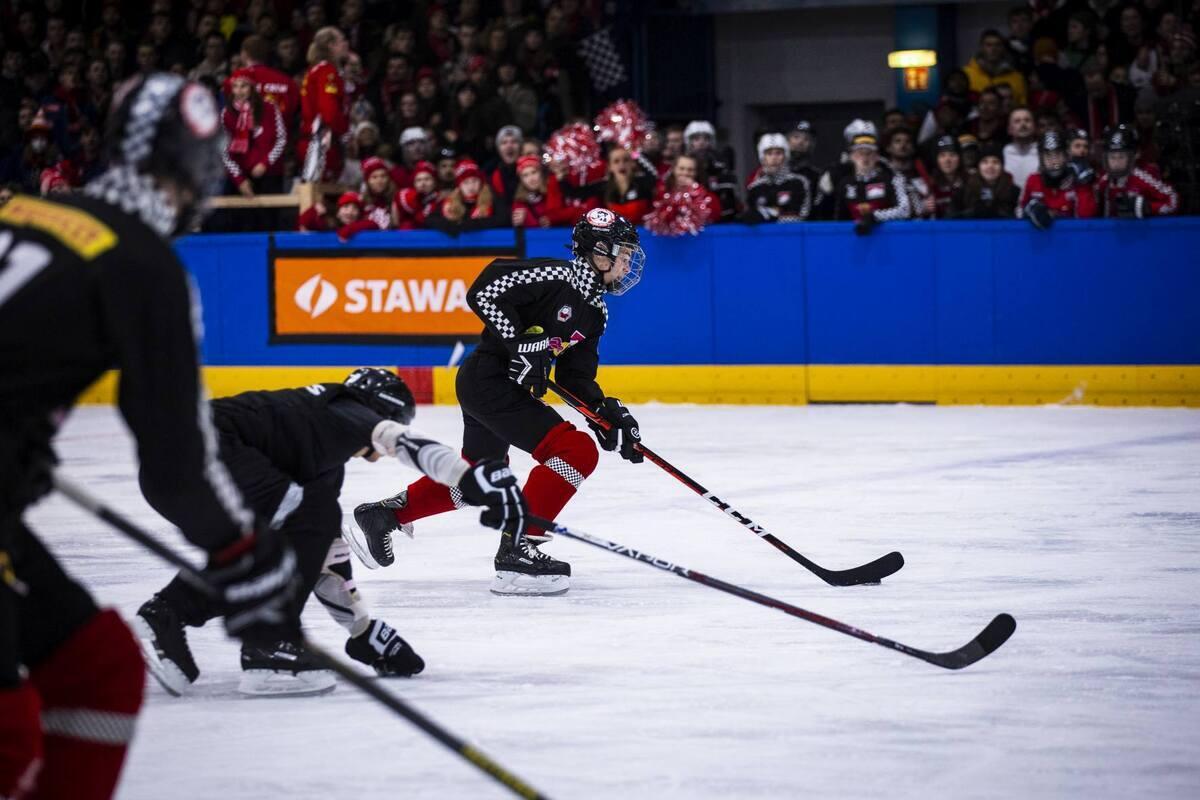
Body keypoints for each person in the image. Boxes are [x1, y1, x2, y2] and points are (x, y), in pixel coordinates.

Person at [0, 73, 297, 800]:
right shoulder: (145, 265)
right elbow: (176, 466)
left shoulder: (23, 208)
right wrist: (241, 550)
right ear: (194, 167)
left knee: (96, 664)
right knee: (8, 731)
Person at [135, 369, 528, 697]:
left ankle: (166, 616)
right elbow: (403, 444)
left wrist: (363, 629)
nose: (377, 450)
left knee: (282, 540)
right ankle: (269, 649)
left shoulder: (317, 445)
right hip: (201, 455)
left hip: (168, 470)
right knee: (309, 517)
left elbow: (323, 553)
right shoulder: (342, 409)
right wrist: (470, 478)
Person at [344, 210, 648, 596]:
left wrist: (606, 415)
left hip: (497, 388)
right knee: (576, 451)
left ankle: (384, 515)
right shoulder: (554, 276)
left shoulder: (596, 313)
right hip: (488, 380)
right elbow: (484, 290)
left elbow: (575, 378)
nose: (627, 263)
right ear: (600, 252)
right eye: (623, 254)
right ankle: (519, 548)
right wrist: (521, 342)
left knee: (478, 480)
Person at [832, 132, 912, 234]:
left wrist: (874, 216)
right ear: (852, 156)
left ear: (877, 156)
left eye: (869, 153)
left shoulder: (891, 179)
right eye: (860, 152)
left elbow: (905, 210)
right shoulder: (844, 183)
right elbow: (838, 219)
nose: (865, 158)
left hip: (888, 238)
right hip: (854, 239)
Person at [1019, 129, 1099, 229]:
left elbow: (1086, 219)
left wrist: (1084, 186)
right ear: (1041, 159)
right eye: (1048, 156)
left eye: (1057, 155)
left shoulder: (1076, 180)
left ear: (1065, 156)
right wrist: (1029, 210)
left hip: (1073, 239)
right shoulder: (1033, 180)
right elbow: (1020, 213)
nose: (1054, 162)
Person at [299, 27, 350, 182]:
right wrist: (343, 133)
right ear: (331, 45)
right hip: (321, 141)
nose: (346, 44)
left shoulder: (318, 69)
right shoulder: (326, 71)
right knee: (313, 190)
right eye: (342, 40)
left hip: (322, 140)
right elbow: (329, 110)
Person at [1096, 125, 1178, 217]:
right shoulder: (1102, 181)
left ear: (1133, 156)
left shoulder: (1142, 178)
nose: (1116, 162)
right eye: (1112, 157)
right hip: (1109, 229)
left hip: (1139, 229)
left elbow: (1172, 199)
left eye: (1121, 157)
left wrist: (1149, 207)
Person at [743, 132, 812, 223]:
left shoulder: (799, 182)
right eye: (769, 154)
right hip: (763, 237)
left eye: (778, 153)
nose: (774, 158)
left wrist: (768, 215)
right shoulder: (754, 188)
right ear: (762, 158)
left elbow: (801, 216)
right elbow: (749, 218)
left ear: (785, 156)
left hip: (792, 236)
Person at [952, 142, 1020, 218]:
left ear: (1002, 167)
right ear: (978, 166)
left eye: (995, 162)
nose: (990, 166)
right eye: (985, 162)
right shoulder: (964, 191)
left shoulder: (1014, 191)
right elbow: (952, 217)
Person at [1002, 106, 1040, 192]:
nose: (1023, 124)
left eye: (1027, 120)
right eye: (1017, 121)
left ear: (1034, 127)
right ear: (1009, 129)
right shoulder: (1003, 152)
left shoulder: (1043, 151)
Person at [927, 135, 965, 218]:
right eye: (942, 155)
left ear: (960, 158)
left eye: (952, 155)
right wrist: (924, 207)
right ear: (936, 159)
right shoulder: (928, 184)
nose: (947, 160)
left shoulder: (970, 182)